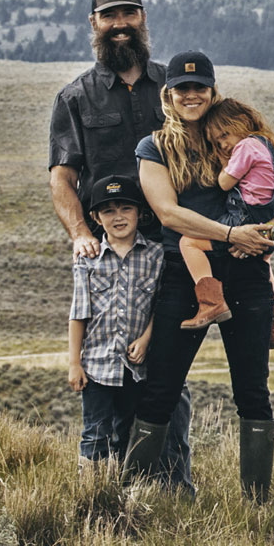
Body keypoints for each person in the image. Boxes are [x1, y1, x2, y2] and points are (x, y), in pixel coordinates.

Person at [125, 51, 274, 501]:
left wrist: (264, 238)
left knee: (252, 390)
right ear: (168, 94)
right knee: (161, 386)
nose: (191, 95)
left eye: (199, 87)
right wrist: (231, 233)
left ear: (212, 90)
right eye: (182, 88)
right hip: (186, 274)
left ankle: (257, 505)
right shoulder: (155, 148)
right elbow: (168, 213)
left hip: (246, 273)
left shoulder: (238, 140)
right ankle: (133, 501)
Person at [47, 0, 195, 491]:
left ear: (143, 18)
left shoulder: (174, 92)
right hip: (111, 254)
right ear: (94, 25)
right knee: (107, 379)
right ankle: (106, 495)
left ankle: (170, 490)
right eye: (109, 17)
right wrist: (81, 234)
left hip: (173, 254)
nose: (119, 25)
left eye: (128, 13)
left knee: (167, 375)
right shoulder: (75, 98)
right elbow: (63, 178)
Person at [177, 98, 274, 330]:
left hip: (245, 218)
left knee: (189, 242)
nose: (222, 145)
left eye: (224, 135)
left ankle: (210, 302)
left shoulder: (245, 147)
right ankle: (272, 320)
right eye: (216, 143)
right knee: (265, 260)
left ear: (242, 123)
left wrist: (224, 162)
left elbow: (224, 183)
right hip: (272, 225)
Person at [67, 175, 161, 468]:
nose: (118, 217)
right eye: (108, 211)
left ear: (140, 213)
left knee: (127, 433)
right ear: (95, 216)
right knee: (95, 433)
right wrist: (74, 363)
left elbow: (161, 304)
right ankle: (92, 497)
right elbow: (79, 312)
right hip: (97, 365)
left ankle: (123, 494)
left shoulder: (155, 256)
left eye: (125, 209)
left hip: (137, 368)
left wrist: (147, 339)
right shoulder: (87, 258)